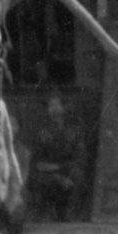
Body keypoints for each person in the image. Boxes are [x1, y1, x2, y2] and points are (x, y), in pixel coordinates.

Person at [29, 93, 86, 221]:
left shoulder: (75, 131)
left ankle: (70, 218)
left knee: (78, 176)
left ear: (64, 107)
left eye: (56, 105)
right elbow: (37, 163)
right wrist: (56, 176)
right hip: (48, 175)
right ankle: (44, 217)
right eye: (50, 106)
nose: (53, 109)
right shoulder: (42, 133)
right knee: (38, 180)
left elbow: (80, 159)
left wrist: (57, 167)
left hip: (67, 171)